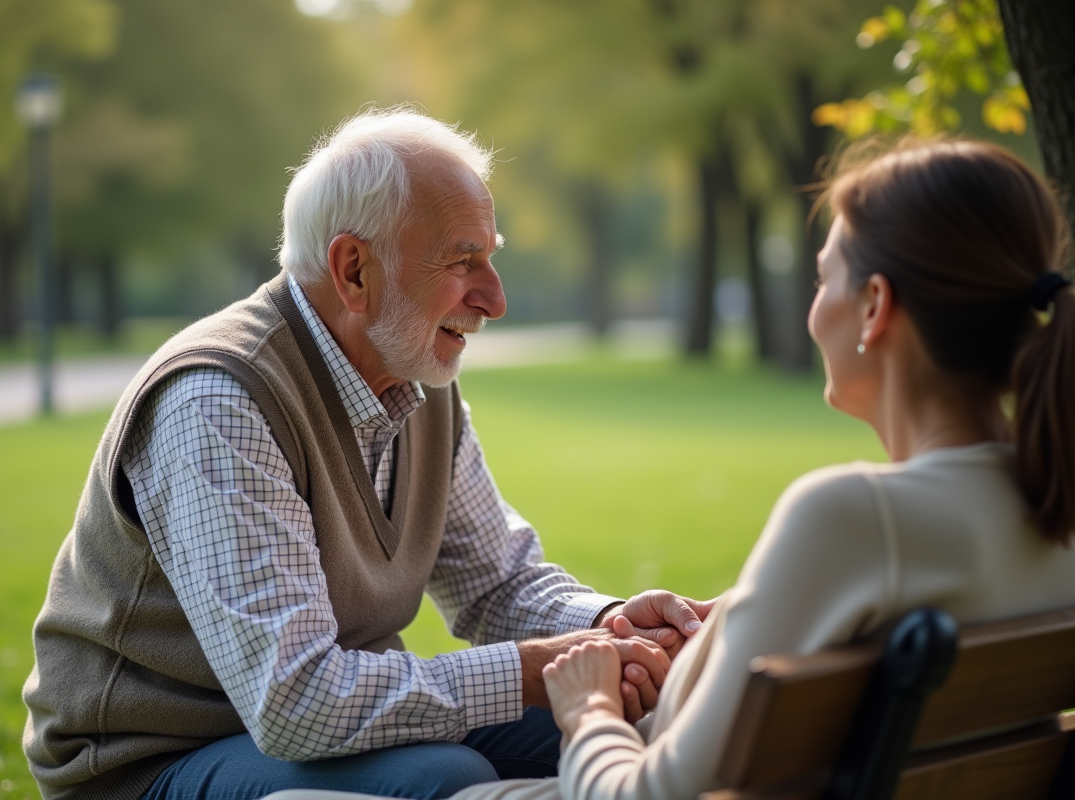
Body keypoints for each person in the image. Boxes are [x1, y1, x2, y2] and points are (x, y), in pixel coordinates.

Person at [271, 138, 1075, 800]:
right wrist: (688, 624)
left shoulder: (855, 518)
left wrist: (586, 707)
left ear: (874, 308)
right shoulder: (1049, 513)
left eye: (824, 275)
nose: (812, 304)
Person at [21, 107, 714, 800]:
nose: (495, 299)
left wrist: (611, 627)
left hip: (322, 723)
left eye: (490, 256)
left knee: (648, 718)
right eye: (462, 260)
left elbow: (497, 583)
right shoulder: (219, 398)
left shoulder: (414, 376)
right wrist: (534, 672)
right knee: (444, 779)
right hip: (148, 762)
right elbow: (294, 702)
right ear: (354, 270)